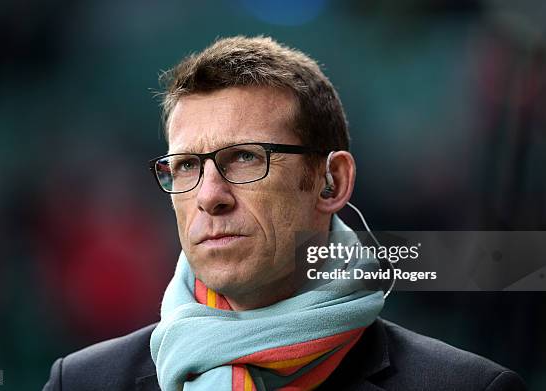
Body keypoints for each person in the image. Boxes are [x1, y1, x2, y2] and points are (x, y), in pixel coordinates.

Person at [43, 36, 526, 391]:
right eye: (187, 165)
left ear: (331, 182)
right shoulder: (83, 381)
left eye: (246, 157)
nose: (210, 196)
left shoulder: (468, 387)